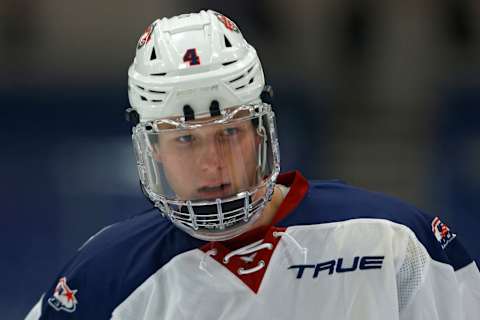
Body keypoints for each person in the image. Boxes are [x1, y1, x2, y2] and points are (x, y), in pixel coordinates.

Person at [26, 10, 479, 320]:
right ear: (154, 151)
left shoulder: (395, 242)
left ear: (260, 132)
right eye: (185, 139)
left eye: (229, 131)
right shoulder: (103, 276)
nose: (212, 161)